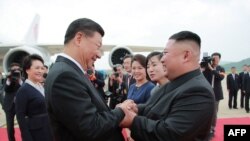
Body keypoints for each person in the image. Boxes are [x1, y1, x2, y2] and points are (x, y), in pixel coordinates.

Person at [44, 18, 133, 141]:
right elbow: (91, 127)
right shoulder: (65, 76)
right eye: (98, 46)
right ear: (79, 38)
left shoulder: (70, 71)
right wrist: (121, 111)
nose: (99, 54)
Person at [120, 31, 215, 141]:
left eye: (165, 53)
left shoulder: (198, 91)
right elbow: (151, 107)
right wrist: (136, 108)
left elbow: (170, 134)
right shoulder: (175, 82)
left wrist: (133, 121)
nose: (162, 59)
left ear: (186, 55)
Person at [15, 54, 53, 141]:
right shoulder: (23, 90)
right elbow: (20, 118)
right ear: (27, 70)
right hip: (36, 133)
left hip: (48, 129)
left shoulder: (41, 86)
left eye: (42, 68)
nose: (40, 71)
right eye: (37, 68)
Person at [202, 52, 225, 138]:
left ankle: (212, 129)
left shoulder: (221, 68)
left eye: (216, 58)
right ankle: (204, 128)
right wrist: (205, 65)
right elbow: (201, 73)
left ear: (219, 59)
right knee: (205, 111)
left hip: (216, 94)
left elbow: (220, 77)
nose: (215, 60)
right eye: (213, 58)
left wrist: (212, 69)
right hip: (206, 93)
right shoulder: (206, 67)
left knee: (214, 112)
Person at [3, 63, 23, 141]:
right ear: (10, 71)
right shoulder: (7, 79)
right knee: (10, 126)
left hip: (20, 106)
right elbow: (6, 89)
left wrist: (20, 79)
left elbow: (24, 89)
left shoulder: (22, 79)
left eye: (17, 70)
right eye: (14, 70)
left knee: (22, 125)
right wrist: (9, 79)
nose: (16, 71)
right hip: (9, 106)